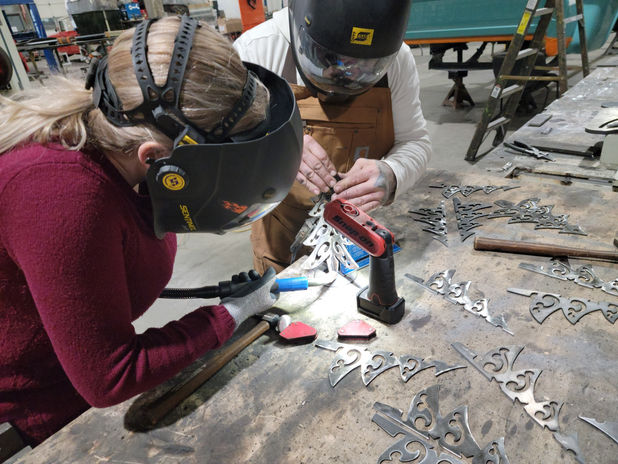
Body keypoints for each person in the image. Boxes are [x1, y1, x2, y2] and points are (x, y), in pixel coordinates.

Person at [0, 16, 302, 446]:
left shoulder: (130, 164)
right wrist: (230, 315)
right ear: (155, 155)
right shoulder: (61, 196)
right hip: (33, 393)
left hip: (67, 359)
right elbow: (109, 376)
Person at [234, 0, 432, 274]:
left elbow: (416, 142)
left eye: (366, 67)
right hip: (281, 247)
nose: (348, 75)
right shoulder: (257, 52)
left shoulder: (397, 61)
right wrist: (274, 148)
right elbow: (219, 154)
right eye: (328, 59)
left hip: (361, 244)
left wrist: (392, 172)